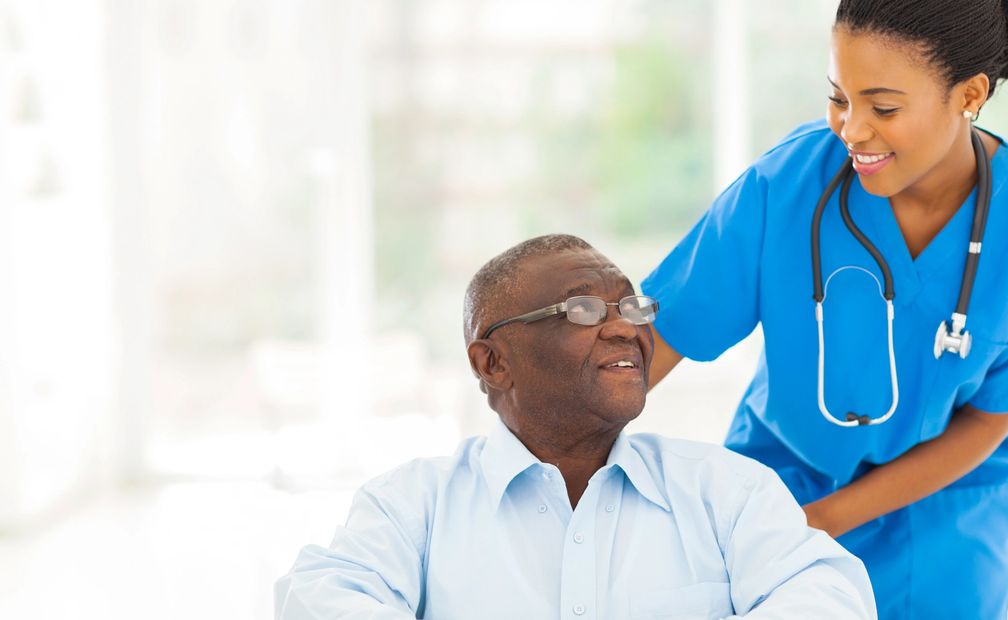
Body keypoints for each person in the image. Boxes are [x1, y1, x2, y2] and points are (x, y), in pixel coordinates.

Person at [641, 1, 1008, 618]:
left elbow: (990, 421)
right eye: (838, 98)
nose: (850, 129)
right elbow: (658, 337)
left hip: (945, 518)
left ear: (969, 94)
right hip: (779, 492)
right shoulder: (790, 183)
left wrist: (824, 521)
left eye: (883, 108)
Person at [275, 234, 877, 619]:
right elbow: (319, 602)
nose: (626, 328)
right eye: (583, 309)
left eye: (632, 305)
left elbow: (828, 597)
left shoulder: (727, 491)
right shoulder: (411, 505)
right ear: (493, 362)